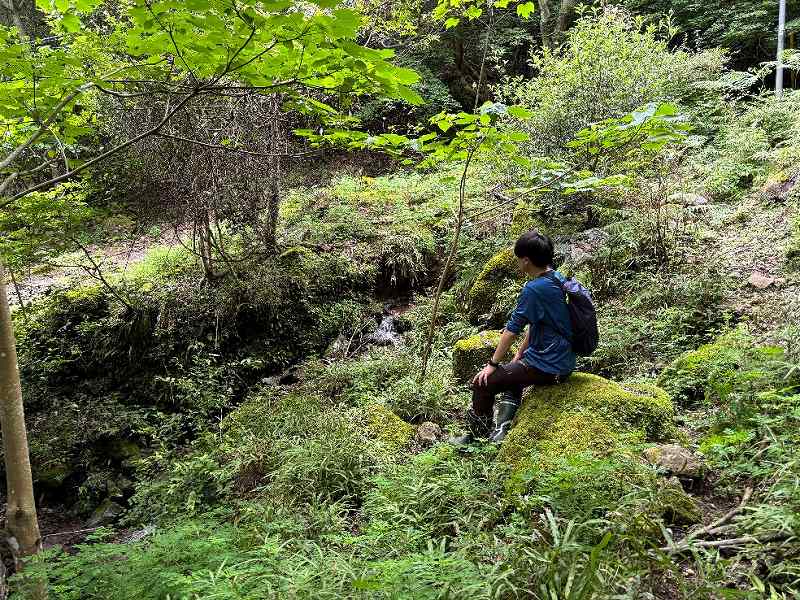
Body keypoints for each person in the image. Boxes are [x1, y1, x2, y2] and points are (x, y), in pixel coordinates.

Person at [450, 230, 576, 445]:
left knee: (483, 382)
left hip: (548, 365)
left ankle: (475, 436)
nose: (518, 263)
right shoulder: (557, 278)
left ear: (526, 260)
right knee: (513, 371)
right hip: (561, 360)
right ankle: (502, 430)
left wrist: (492, 364)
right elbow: (538, 321)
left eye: (519, 259)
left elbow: (512, 329)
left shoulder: (534, 288)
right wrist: (519, 353)